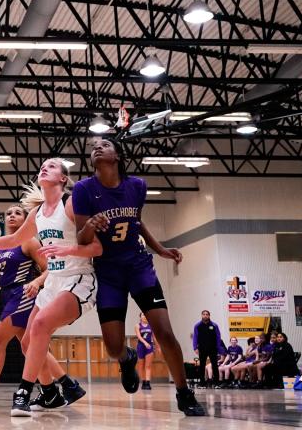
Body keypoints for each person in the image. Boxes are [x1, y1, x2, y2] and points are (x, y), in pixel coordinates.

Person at [0, 158, 101, 416]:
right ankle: (51, 393)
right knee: (27, 343)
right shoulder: (37, 213)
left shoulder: (71, 203)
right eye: (43, 165)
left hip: (77, 278)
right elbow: (12, 238)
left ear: (63, 178)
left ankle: (22, 392)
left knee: (40, 326)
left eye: (53, 166)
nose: (45, 167)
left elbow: (98, 248)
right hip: (53, 284)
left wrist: (67, 249)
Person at [74, 138, 206, 416]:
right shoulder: (84, 189)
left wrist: (160, 249)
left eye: (105, 144)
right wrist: (89, 225)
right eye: (93, 145)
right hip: (108, 273)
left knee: (165, 332)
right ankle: (126, 358)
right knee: (112, 347)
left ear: (118, 155)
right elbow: (81, 238)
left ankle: (184, 393)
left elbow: (136, 222)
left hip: (138, 267)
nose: (97, 147)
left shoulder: (137, 186)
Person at [0, 204, 84, 408]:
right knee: (30, 347)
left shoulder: (30, 242)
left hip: (24, 294)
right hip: (8, 294)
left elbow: (51, 269)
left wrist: (37, 282)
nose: (12, 215)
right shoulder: (2, 247)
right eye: (8, 213)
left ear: (26, 219)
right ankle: (59, 390)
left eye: (17, 213)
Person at [192, 310, 223, 387]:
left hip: (212, 348)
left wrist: (218, 347)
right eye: (204, 314)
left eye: (207, 314)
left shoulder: (214, 325)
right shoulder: (197, 326)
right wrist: (195, 347)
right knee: (202, 365)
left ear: (209, 316)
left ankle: (216, 383)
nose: (205, 316)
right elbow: (195, 337)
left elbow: (218, 337)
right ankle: (202, 383)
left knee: (215, 365)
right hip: (202, 348)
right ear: (202, 315)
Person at [135, 313, 154, 390]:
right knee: (141, 366)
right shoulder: (138, 326)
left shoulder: (151, 325)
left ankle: (148, 383)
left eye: (146, 314)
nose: (145, 316)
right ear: (140, 317)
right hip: (141, 346)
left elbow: (154, 337)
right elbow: (139, 336)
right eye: (143, 315)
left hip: (149, 346)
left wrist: (158, 346)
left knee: (148, 366)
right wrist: (145, 343)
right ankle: (143, 382)